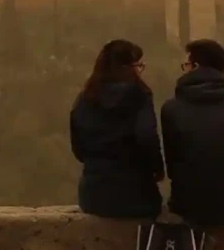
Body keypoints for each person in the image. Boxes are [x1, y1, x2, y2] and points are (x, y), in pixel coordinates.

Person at [161, 39, 224, 228]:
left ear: (195, 66)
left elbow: (173, 165)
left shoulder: (172, 109)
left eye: (185, 65)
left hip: (189, 207)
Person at [69, 39, 164, 219]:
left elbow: (78, 149)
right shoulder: (139, 95)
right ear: (129, 67)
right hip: (136, 195)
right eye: (139, 66)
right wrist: (157, 169)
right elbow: (147, 136)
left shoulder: (84, 99)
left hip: (93, 197)